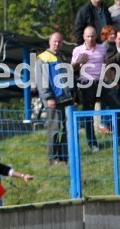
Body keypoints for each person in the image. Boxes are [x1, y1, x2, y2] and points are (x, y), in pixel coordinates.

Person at [71, 26, 120, 153]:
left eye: (93, 36)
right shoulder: (78, 50)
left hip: (102, 82)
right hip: (86, 83)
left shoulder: (101, 48)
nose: (90, 39)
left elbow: (106, 65)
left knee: (118, 105)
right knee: (88, 113)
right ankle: (92, 143)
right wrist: (78, 62)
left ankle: (119, 136)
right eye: (88, 36)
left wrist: (112, 81)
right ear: (84, 37)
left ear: (96, 36)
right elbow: (72, 68)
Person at [36, 32, 74, 165]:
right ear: (49, 42)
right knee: (54, 130)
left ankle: (64, 156)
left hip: (66, 99)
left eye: (59, 41)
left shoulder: (62, 57)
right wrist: (48, 98)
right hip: (53, 100)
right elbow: (42, 81)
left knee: (67, 129)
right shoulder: (43, 58)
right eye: (55, 41)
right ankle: (53, 158)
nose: (57, 44)